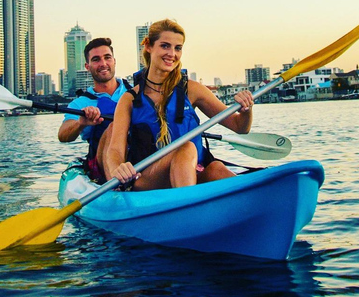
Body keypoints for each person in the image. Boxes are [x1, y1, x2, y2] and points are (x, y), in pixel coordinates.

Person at [106, 19, 255, 190]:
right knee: (185, 149)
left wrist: (246, 110)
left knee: (216, 168)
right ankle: (188, 208)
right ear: (148, 46)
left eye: (178, 48)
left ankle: (251, 201)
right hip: (148, 179)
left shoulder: (191, 89)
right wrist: (118, 168)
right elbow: (115, 149)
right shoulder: (130, 99)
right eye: (165, 46)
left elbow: (240, 127)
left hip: (191, 172)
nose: (172, 54)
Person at [58, 37, 129, 182]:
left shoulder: (135, 92)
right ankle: (117, 186)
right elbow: (63, 135)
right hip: (103, 165)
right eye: (96, 60)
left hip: (140, 157)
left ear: (114, 61)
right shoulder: (81, 103)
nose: (103, 64)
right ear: (87, 66)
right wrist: (81, 123)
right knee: (113, 127)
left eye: (107, 58)